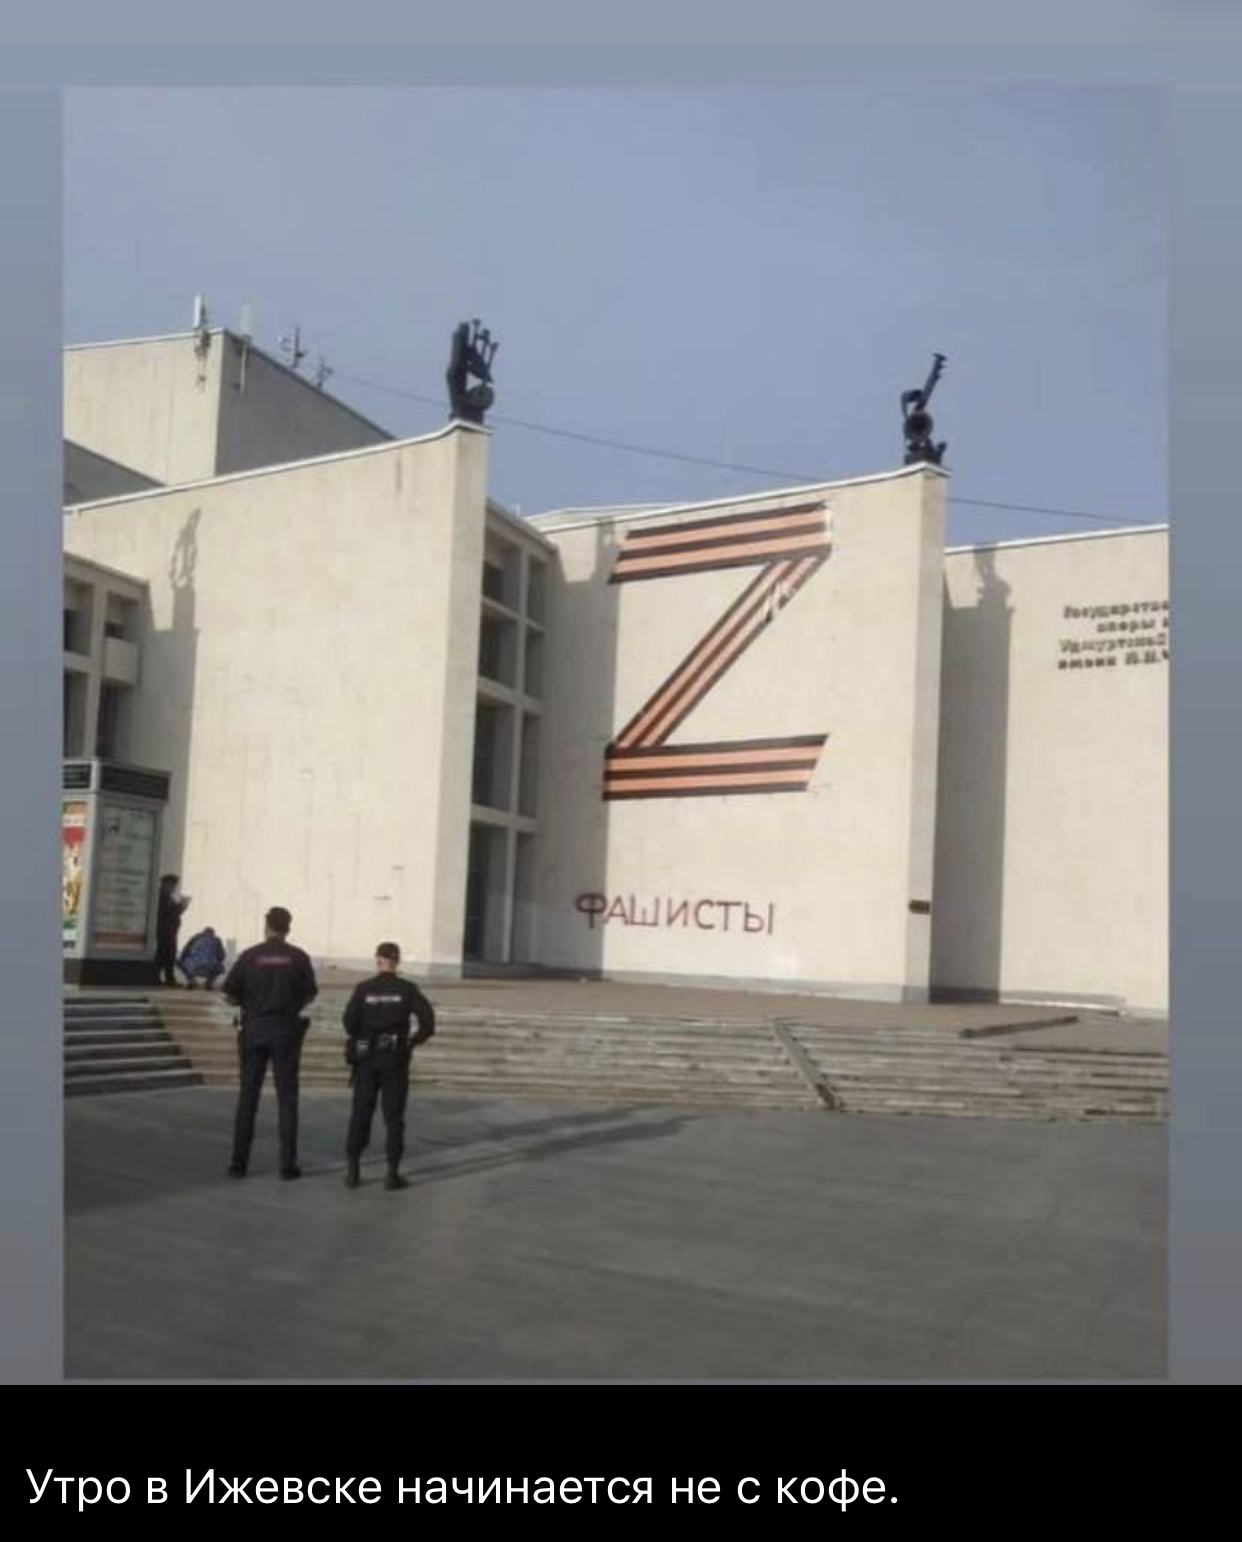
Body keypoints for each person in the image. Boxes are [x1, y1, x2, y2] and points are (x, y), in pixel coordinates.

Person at [222, 906, 318, 1180]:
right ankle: (287, 1164)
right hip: (286, 1030)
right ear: (288, 928)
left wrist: (250, 1003)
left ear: (266, 927)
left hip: (253, 1029)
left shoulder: (250, 956)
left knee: (248, 1097)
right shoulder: (298, 957)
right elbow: (310, 994)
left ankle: (239, 1163)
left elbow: (229, 994)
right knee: (287, 1098)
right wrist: (290, 1005)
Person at [342, 942, 436, 1191]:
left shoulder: (364, 988)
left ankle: (353, 1170)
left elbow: (349, 1022)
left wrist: (363, 1033)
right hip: (394, 1058)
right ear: (397, 962)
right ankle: (392, 1174)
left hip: (366, 1059)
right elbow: (428, 1021)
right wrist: (413, 1042)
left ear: (378, 960)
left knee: (361, 1112)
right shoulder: (407, 989)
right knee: (393, 1117)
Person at [155, 874, 191, 988]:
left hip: (170, 930)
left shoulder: (167, 897)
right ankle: (166, 979)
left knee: (166, 955)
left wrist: (181, 906)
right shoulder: (162, 897)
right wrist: (182, 906)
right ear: (166, 884)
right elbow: (169, 914)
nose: (173, 888)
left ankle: (164, 978)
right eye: (172, 885)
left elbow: (173, 913)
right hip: (165, 930)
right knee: (166, 954)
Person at [177, 925, 227, 990]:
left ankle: (191, 980)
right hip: (210, 967)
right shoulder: (217, 940)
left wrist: (183, 959)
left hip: (193, 965)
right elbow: (222, 955)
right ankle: (209, 983)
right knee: (220, 967)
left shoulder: (195, 938)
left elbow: (185, 950)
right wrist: (218, 962)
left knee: (179, 962)